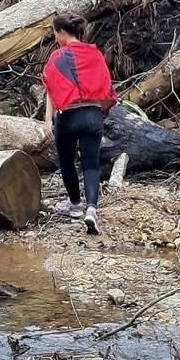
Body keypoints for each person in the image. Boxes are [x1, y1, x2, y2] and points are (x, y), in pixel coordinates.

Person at [41, 12, 114, 235]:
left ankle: (75, 205)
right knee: (91, 165)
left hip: (68, 117)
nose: (55, 38)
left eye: (55, 33)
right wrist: (101, 112)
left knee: (66, 162)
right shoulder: (95, 55)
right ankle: (92, 209)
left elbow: (51, 89)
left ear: (62, 32)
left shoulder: (57, 57)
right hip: (93, 114)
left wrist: (48, 120)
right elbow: (106, 86)